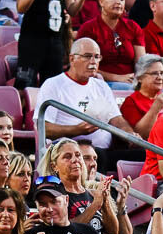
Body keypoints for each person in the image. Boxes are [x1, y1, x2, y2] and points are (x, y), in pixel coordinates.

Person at [35, 39, 139, 169]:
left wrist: (130, 135)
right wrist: (76, 130)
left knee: (144, 154)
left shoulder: (101, 86)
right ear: (72, 59)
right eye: (87, 56)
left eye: (97, 57)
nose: (93, 61)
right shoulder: (54, 85)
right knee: (95, 157)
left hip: (103, 151)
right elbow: (43, 128)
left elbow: (116, 119)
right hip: (71, 153)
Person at [14, 0, 94, 89]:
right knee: (24, 85)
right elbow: (21, 8)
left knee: (53, 86)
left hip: (55, 41)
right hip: (32, 40)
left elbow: (72, 10)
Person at [76, 0, 145, 88]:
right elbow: (84, 65)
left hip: (131, 81)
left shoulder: (133, 27)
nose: (118, 2)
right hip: (99, 82)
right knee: (125, 87)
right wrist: (117, 78)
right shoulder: (88, 28)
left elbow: (141, 63)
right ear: (101, 2)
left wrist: (140, 79)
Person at [120, 55, 163, 140]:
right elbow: (140, 137)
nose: (160, 77)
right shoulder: (131, 102)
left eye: (162, 73)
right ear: (139, 78)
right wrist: (155, 109)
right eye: (154, 73)